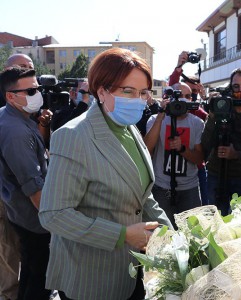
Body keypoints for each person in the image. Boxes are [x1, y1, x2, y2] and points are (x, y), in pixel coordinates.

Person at [38, 48, 173, 300]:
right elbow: (53, 215)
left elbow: (142, 195)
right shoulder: (74, 136)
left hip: (131, 273)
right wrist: (122, 235)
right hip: (91, 277)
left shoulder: (129, 127)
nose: (138, 100)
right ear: (101, 91)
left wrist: (172, 236)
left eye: (143, 92)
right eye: (127, 91)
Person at [0, 67, 51, 300]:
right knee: (38, 280)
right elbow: (33, 186)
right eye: (31, 91)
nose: (37, 94)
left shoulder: (15, 117)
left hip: (21, 213)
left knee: (31, 274)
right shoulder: (15, 130)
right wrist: (54, 219)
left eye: (37, 89)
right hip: (34, 218)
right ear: (11, 96)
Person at [201, 67, 241, 215]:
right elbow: (205, 144)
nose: (240, 90)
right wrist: (212, 114)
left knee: (240, 223)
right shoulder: (221, 108)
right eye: (236, 86)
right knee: (214, 222)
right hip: (216, 175)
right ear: (230, 87)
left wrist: (236, 155)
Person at [144, 82, 204, 225]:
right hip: (161, 186)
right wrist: (160, 116)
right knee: (163, 234)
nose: (183, 99)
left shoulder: (197, 123)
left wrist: (182, 149)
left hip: (189, 188)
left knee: (192, 234)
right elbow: (147, 150)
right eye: (179, 95)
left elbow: (199, 159)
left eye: (188, 96)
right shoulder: (155, 119)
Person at [168, 52, 209, 204]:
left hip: (195, 170)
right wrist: (179, 66)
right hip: (168, 172)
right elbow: (173, 85)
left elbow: (209, 119)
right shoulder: (165, 114)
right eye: (183, 94)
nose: (187, 99)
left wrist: (206, 100)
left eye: (192, 94)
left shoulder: (198, 113)